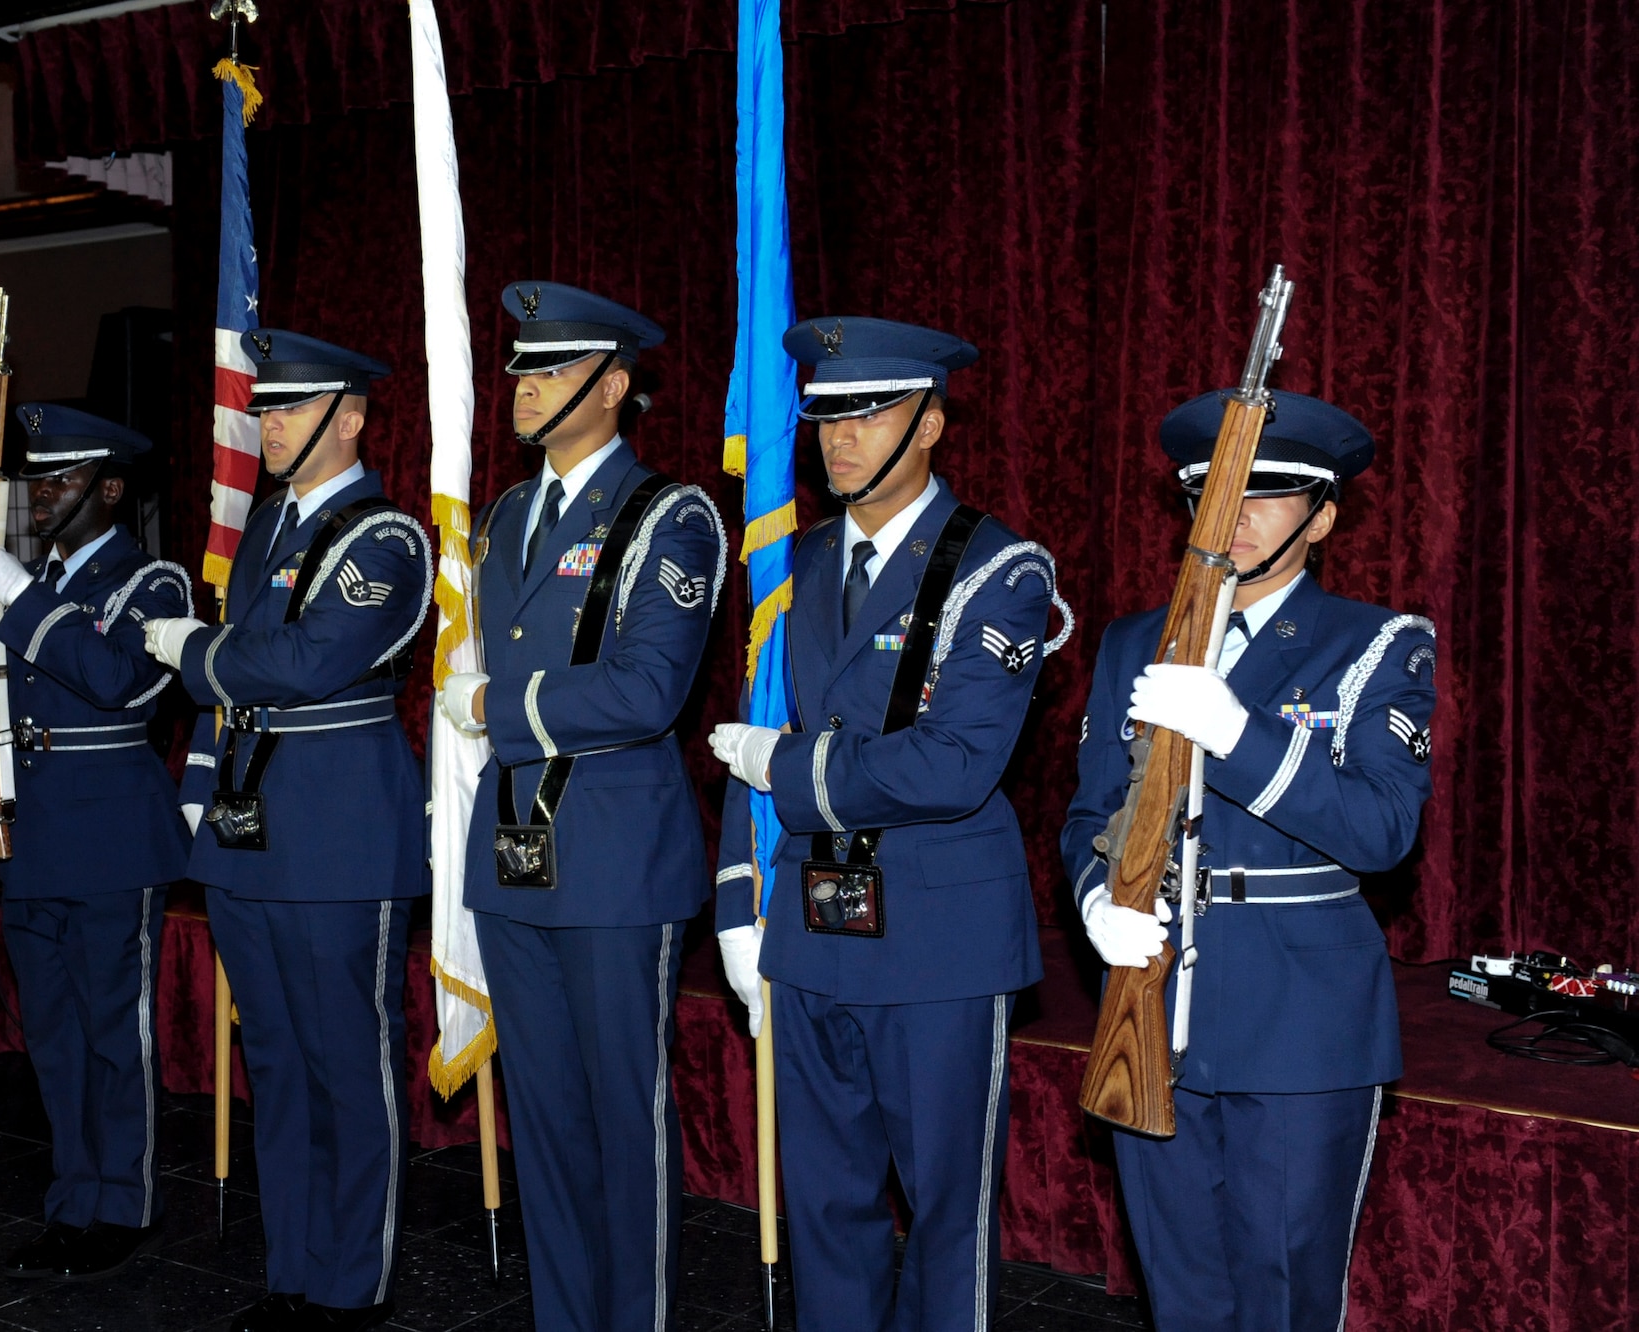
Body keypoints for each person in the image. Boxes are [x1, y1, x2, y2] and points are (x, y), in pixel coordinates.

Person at [705, 316, 1069, 1332]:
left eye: (869, 412)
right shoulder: (796, 561)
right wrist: (739, 902)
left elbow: (954, 763)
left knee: (947, 1212)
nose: (839, 437)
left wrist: (785, 768)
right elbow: (753, 725)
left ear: (932, 423)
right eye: (825, 414)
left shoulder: (999, 572)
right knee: (823, 1205)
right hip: (810, 931)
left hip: (934, 938)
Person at [1062, 390, 1437, 1332]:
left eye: (1265, 492)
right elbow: (1088, 814)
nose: (1231, 513)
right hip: (1152, 1006)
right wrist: (1096, 900)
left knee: (1284, 1294)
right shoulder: (1129, 643)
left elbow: (1383, 828)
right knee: (1181, 1293)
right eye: (1212, 492)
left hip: (1299, 1021)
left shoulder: (1378, 644)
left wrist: (1237, 734)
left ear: (1323, 516)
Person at [434, 282, 724, 1332]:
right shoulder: (510, 514)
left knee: (621, 1116)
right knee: (544, 1121)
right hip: (511, 853)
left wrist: (491, 705)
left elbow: (647, 691)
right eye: (517, 367)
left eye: (549, 369)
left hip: (609, 859)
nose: (521, 386)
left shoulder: (670, 515)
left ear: (611, 387)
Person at [141, 329, 432, 1332]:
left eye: (291, 409)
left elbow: (308, 662)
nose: (268, 425)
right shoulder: (263, 529)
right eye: (263, 409)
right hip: (249, 828)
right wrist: (198, 779)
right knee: (274, 1061)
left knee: (348, 1064)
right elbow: (260, 667)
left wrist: (200, 651)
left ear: (348, 417)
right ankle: (295, 1274)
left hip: (341, 833)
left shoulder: (386, 537)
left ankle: (352, 1289)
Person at [0, 404, 194, 1283]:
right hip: (29, 831)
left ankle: (122, 1204)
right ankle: (72, 1199)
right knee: (51, 1033)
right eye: (35, 477)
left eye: (59, 477)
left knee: (113, 1033)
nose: (39, 492)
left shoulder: (151, 582)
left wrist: (20, 596)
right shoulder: (18, 577)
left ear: (110, 488)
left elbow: (121, 682)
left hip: (112, 835)